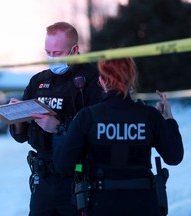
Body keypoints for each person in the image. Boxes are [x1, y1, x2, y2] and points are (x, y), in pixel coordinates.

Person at [54, 57, 184, 216]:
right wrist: (168, 119)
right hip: (144, 205)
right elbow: (174, 156)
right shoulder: (149, 116)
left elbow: (62, 164)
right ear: (132, 79)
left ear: (101, 80)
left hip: (100, 204)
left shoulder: (87, 117)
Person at [9, 22, 103, 216]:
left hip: (77, 178)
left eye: (58, 53)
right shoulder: (38, 81)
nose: (51, 57)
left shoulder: (92, 81)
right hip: (43, 179)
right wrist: (16, 118)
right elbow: (21, 136)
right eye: (48, 52)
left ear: (75, 49)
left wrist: (60, 127)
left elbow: (98, 130)